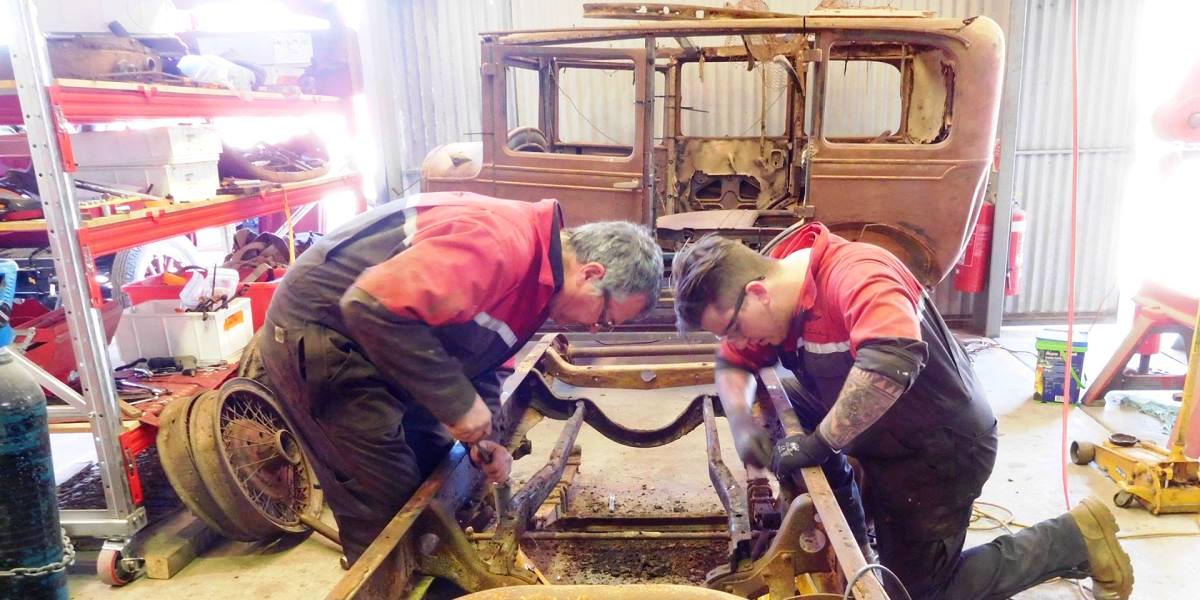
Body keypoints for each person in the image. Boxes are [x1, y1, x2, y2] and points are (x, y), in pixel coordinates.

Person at [670, 224, 1134, 600]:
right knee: (793, 398)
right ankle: (853, 532)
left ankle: (1074, 538)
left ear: (758, 292)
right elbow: (734, 361)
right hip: (886, 438)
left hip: (940, 451)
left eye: (733, 326)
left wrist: (819, 443)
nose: (739, 340)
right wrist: (743, 424)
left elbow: (891, 359)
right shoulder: (781, 294)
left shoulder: (858, 272)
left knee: (920, 594)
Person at [258, 191, 662, 562]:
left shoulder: (539, 281)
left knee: (438, 476)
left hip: (390, 340)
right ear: (591, 273)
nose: (595, 330)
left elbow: (487, 356)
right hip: (326, 332)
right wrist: (456, 403)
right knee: (391, 504)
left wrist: (484, 433)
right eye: (605, 318)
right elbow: (370, 305)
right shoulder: (501, 244)